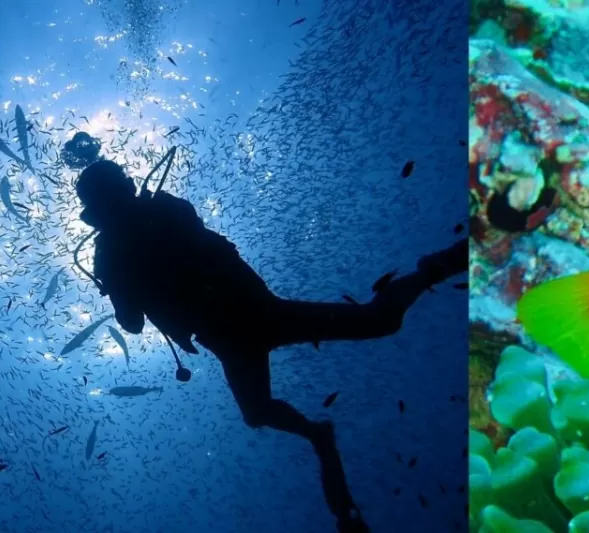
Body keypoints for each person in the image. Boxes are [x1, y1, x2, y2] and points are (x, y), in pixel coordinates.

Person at [75, 158, 468, 533]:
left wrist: (118, 282)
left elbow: (132, 323)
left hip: (244, 324)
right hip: (244, 328)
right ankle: (318, 434)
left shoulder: (115, 249)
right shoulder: (144, 221)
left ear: (93, 208)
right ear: (121, 188)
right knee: (262, 408)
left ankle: (318, 432)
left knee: (375, 323)